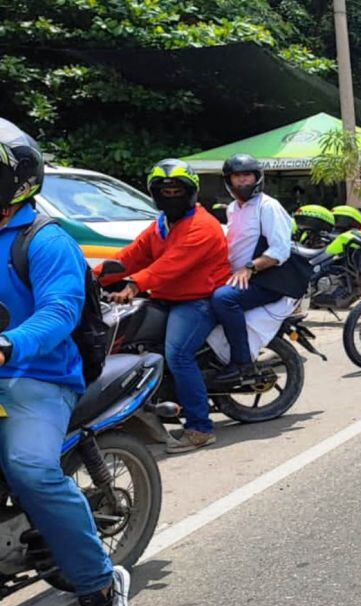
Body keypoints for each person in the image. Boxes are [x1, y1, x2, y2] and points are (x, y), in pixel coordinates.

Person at [0, 119, 130, 606]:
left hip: (37, 375)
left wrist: (11, 343)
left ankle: (99, 585)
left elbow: (59, 312)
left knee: (29, 468)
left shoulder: (45, 240)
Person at [102, 159, 231, 454]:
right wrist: (92, 277)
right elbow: (130, 257)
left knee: (178, 355)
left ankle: (200, 428)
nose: (171, 196)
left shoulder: (203, 226)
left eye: (177, 191)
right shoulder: (161, 225)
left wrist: (134, 285)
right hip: (166, 296)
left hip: (197, 300)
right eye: (165, 191)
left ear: (191, 192)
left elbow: (170, 265)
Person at [210, 154, 294, 383]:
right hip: (239, 277)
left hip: (266, 280)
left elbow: (280, 250)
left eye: (247, 175)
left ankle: (242, 362)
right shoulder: (233, 209)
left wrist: (250, 268)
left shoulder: (268, 207)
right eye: (237, 176)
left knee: (223, 299)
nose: (242, 181)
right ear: (229, 180)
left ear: (257, 177)